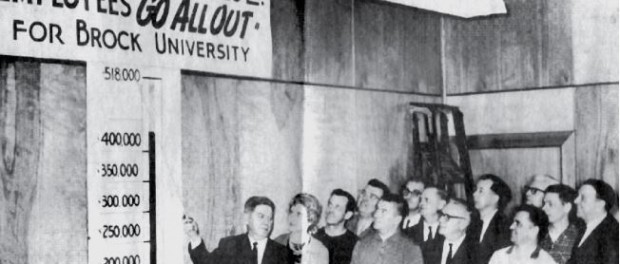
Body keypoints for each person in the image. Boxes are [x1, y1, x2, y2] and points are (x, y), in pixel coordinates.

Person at [185, 196, 288, 264]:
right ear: (246, 218)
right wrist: (194, 236)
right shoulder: (230, 245)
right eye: (261, 216)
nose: (267, 222)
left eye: (270, 219)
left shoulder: (283, 253)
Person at [350, 193, 423, 264]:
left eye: (383, 211)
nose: (376, 215)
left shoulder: (410, 249)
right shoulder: (362, 244)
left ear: (397, 219)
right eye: (377, 209)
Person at [567, 179, 619, 264]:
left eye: (583, 198)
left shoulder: (613, 234)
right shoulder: (581, 226)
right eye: (577, 196)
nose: (575, 201)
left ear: (600, 204)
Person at [489, 205, 556, 264]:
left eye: (518, 223)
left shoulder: (546, 261)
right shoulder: (499, 257)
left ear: (534, 231)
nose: (511, 227)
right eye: (513, 223)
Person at [275, 193, 329, 264]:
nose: (292, 218)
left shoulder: (320, 251)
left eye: (299, 214)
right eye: (291, 212)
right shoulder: (277, 242)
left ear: (310, 219)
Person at [469, 174, 512, 264]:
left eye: (481, 191)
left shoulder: (504, 226)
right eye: (475, 190)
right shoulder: (472, 222)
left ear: (495, 198)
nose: (474, 194)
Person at [404, 186, 448, 264]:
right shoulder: (408, 233)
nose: (421, 203)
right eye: (421, 200)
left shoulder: (449, 232)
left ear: (441, 204)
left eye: (427, 200)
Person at [315, 189, 359, 264]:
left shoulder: (354, 243)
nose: (331, 210)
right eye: (330, 205)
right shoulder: (314, 237)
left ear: (348, 215)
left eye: (337, 207)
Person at [540, 185, 580, 264]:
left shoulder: (578, 238)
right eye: (544, 203)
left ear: (567, 207)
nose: (544, 208)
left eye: (550, 204)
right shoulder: (538, 234)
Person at [433, 198, 478, 264]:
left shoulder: (475, 253)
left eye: (447, 217)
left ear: (463, 224)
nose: (440, 220)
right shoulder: (428, 247)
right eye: (442, 215)